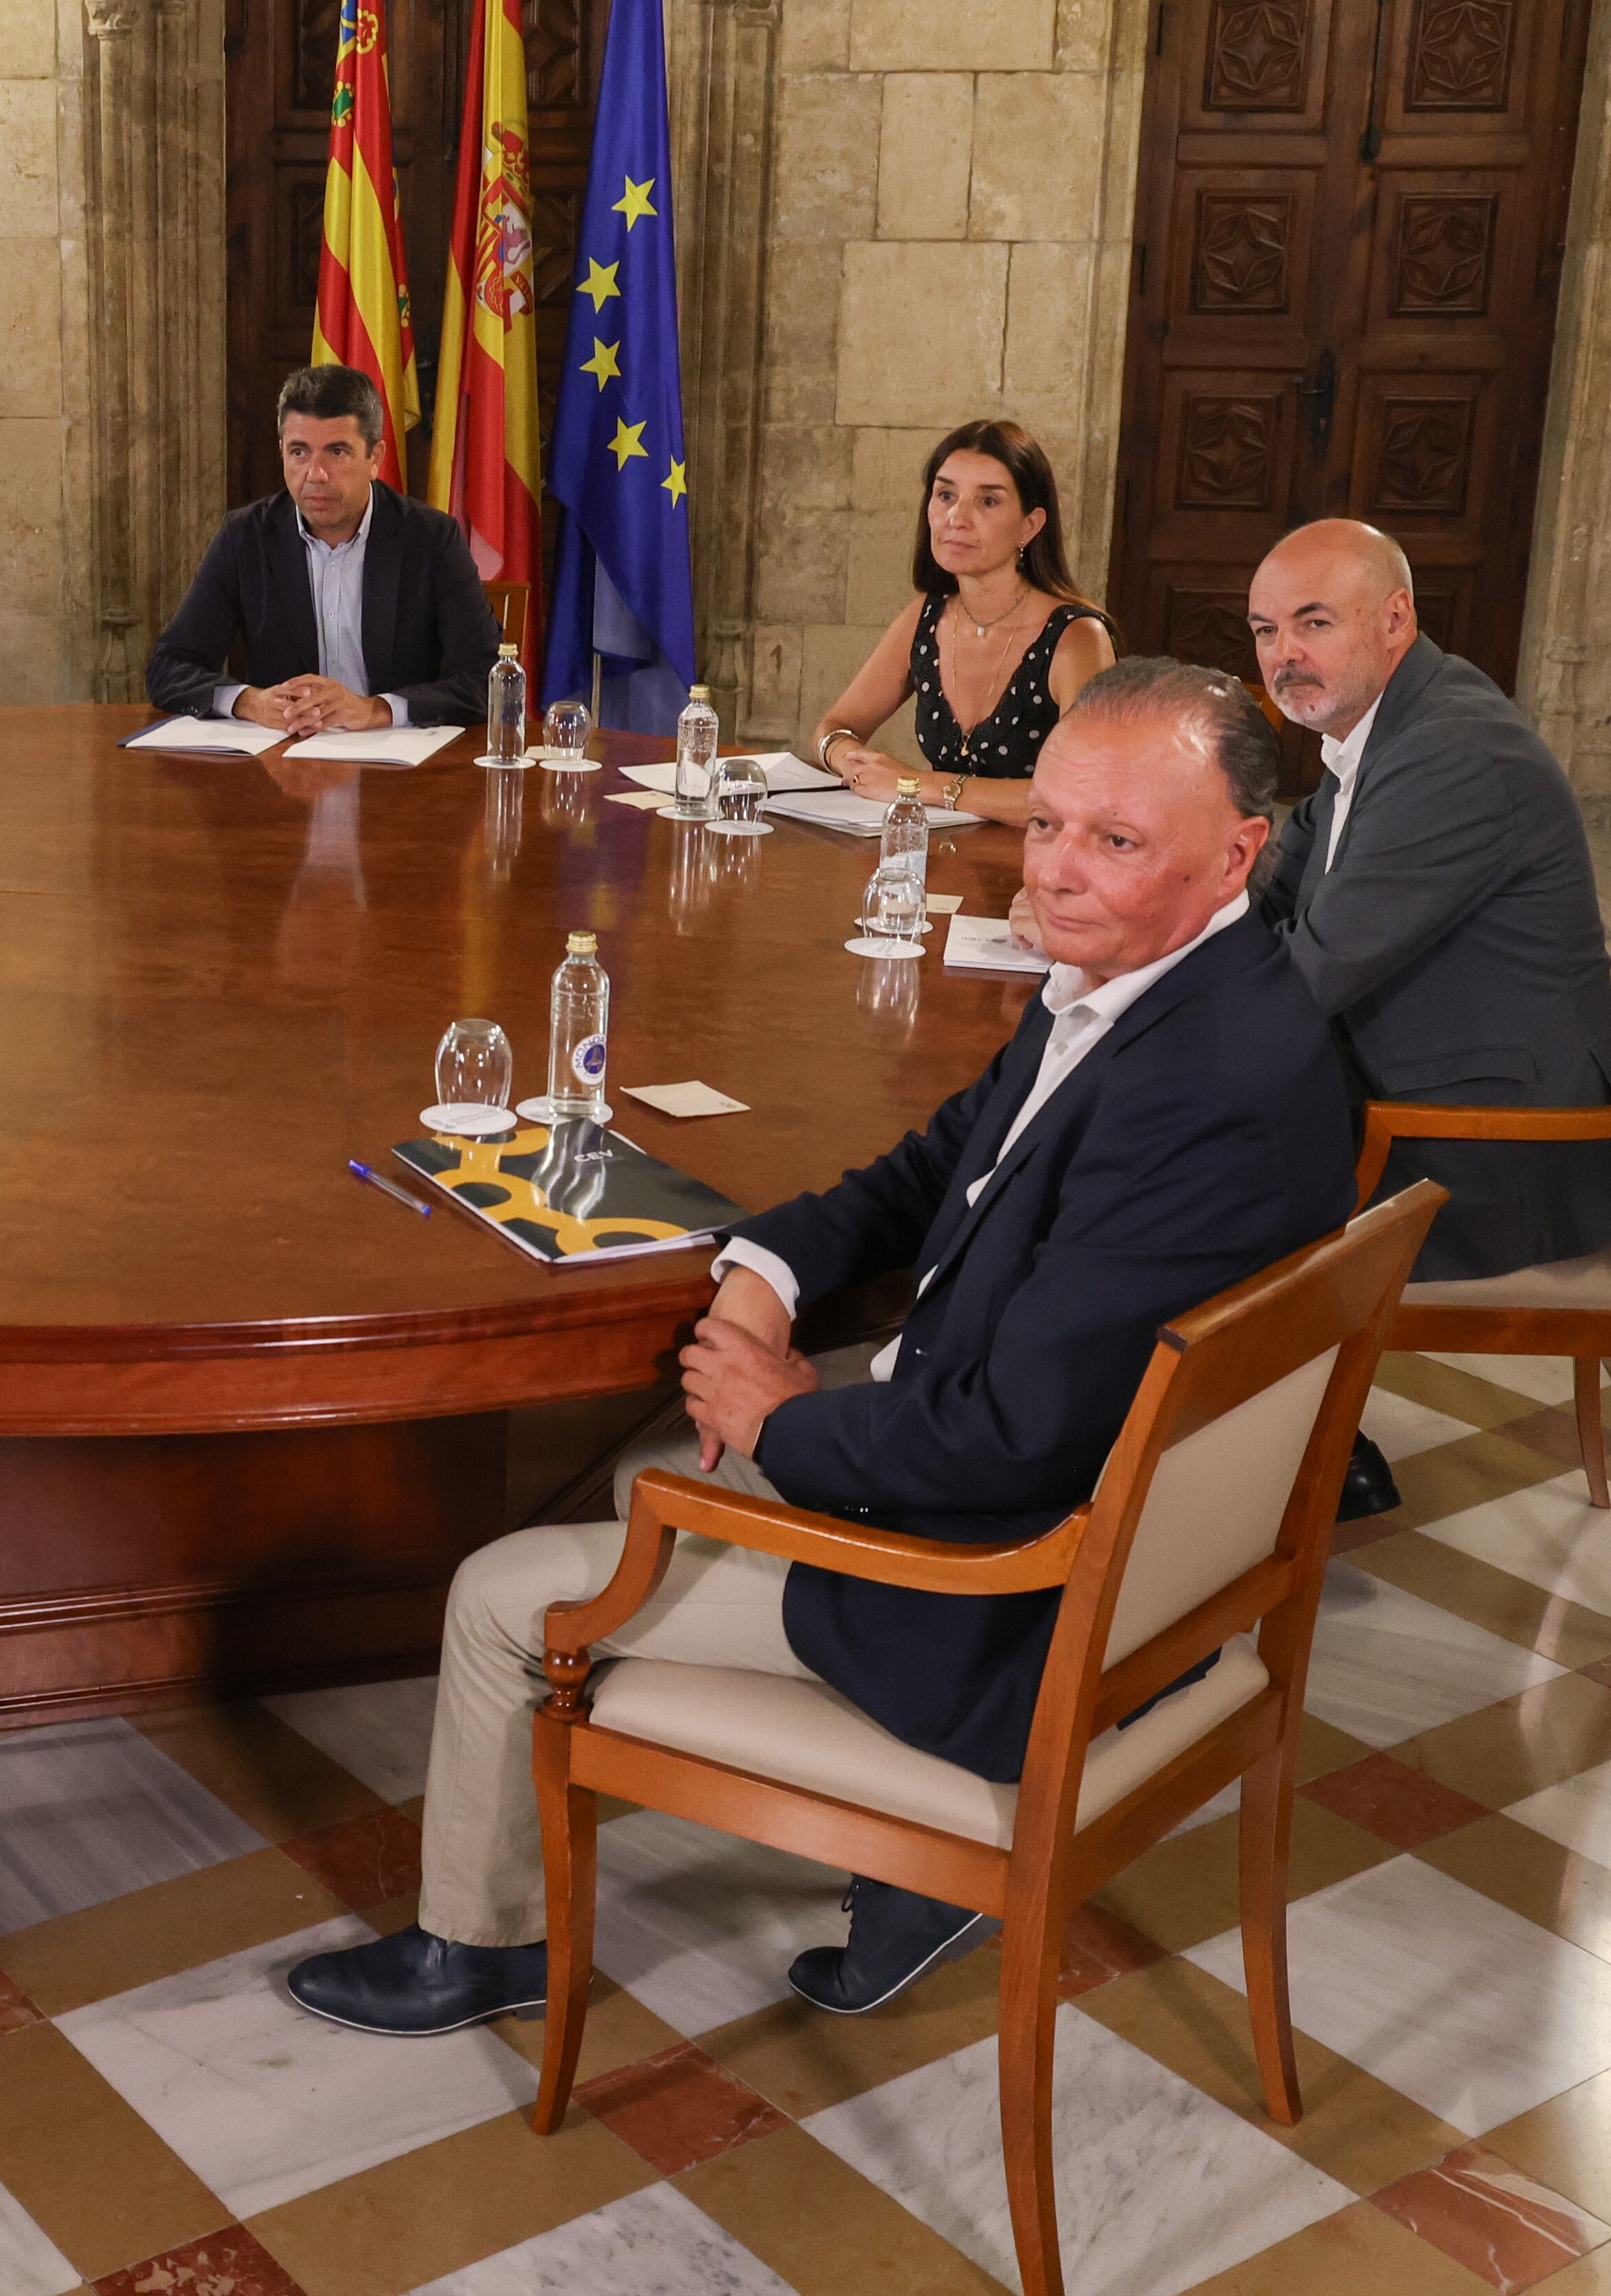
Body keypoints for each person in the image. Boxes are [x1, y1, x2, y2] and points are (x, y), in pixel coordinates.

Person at [283, 660, 1358, 2038]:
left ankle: (476, 1948)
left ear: (1238, 853)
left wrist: (783, 1415)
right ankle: (897, 1871)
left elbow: (1007, 1439)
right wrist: (766, 1269)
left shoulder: (1206, 1094)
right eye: (1046, 822)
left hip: (1001, 1602)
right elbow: (935, 1166)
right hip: (1093, 1526)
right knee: (651, 1457)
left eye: (1115, 839)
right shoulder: (1162, 985)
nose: (1055, 871)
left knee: (503, 1589)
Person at [1247, 518, 1611, 1518]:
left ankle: (1280, 1466)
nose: (1284, 655)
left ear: (1394, 619)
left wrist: (1147, 991)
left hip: (1496, 1155)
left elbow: (1309, 973)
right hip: (1435, 1087)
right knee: (1195, 1128)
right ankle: (1296, 1445)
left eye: (1313, 622)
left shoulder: (1448, 753)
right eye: (1264, 630)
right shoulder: (1381, 725)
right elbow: (1275, 893)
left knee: (1188, 1166)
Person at [147, 363, 499, 733]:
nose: (316, 474)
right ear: (282, 452)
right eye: (299, 452)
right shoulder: (245, 537)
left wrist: (377, 710)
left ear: (375, 458)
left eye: (337, 452)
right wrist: (250, 702)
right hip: (285, 755)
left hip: (396, 757)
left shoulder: (431, 539)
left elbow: (487, 679)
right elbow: (169, 666)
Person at [808, 421, 1116, 824]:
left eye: (988, 501)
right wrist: (849, 759)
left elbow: (1084, 794)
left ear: (1030, 525)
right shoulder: (926, 615)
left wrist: (918, 784)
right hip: (939, 851)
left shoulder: (1077, 637)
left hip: (1039, 859)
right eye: (946, 495)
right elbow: (835, 726)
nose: (957, 517)